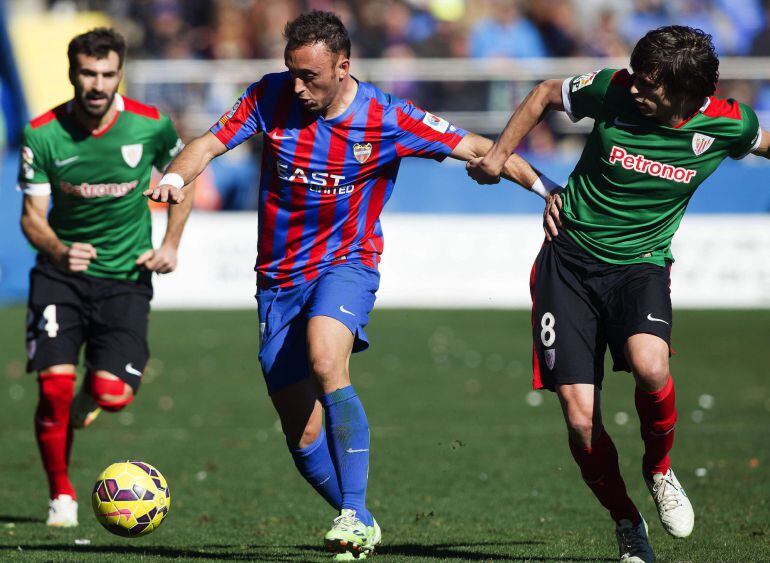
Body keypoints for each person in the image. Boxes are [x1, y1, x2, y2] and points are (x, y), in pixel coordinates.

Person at [145, 11, 558, 560]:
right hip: (277, 278)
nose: (298, 86)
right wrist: (173, 178)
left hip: (347, 263)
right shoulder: (270, 96)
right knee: (300, 429)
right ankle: (358, 516)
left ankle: (352, 511)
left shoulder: (388, 117)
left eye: (309, 76)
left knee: (325, 358)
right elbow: (206, 144)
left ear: (343, 67)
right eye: (291, 71)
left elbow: (483, 149)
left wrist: (548, 189)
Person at [468, 25, 770, 563]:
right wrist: (497, 155)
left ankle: (659, 470)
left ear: (687, 95)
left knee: (651, 366)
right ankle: (628, 523)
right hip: (568, 263)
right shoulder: (611, 87)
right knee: (581, 421)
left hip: (640, 267)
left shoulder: (727, 124)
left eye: (649, 86)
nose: (634, 89)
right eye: (635, 76)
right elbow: (542, 93)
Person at [19, 28, 193, 527]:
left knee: (113, 393)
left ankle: (92, 397)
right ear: (73, 73)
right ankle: (62, 496)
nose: (98, 84)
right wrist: (57, 248)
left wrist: (170, 244)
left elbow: (186, 180)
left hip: (125, 277)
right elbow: (31, 216)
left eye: (108, 74)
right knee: (52, 387)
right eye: (88, 74)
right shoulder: (42, 133)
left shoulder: (151, 126)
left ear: (121, 74)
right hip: (60, 276)